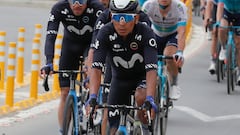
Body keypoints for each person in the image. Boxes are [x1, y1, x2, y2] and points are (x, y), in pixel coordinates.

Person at [86, 0, 158, 134]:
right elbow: (96, 68)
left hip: (141, 77)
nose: (122, 23)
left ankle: (145, 129)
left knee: (141, 96)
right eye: (118, 17)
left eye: (127, 17)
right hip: (119, 79)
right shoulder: (105, 32)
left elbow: (151, 69)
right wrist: (93, 96)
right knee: (111, 125)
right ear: (111, 17)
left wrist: (150, 99)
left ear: (136, 18)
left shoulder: (146, 32)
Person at [40, 0, 104, 134]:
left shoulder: (97, 8)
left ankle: (93, 103)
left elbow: (99, 37)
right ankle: (63, 130)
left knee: (90, 76)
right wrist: (49, 61)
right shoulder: (59, 8)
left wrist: (91, 63)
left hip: (90, 46)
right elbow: (51, 36)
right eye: (73, 0)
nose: (77, 4)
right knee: (64, 92)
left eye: (81, 1)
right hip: (70, 47)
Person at [142, 0, 187, 100]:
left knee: (169, 55)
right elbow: (141, 28)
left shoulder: (180, 7)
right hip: (155, 34)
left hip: (172, 35)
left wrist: (180, 52)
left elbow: (182, 32)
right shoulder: (148, 5)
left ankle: (174, 84)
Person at [216, 0, 240, 85]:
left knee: (238, 43)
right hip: (227, 11)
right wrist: (218, 22)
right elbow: (220, 6)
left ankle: (239, 71)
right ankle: (223, 48)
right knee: (222, 28)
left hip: (239, 13)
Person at [204, 0, 219, 74]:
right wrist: (207, 19)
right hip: (217, 7)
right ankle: (213, 60)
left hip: (231, 8)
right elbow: (209, 4)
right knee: (215, 33)